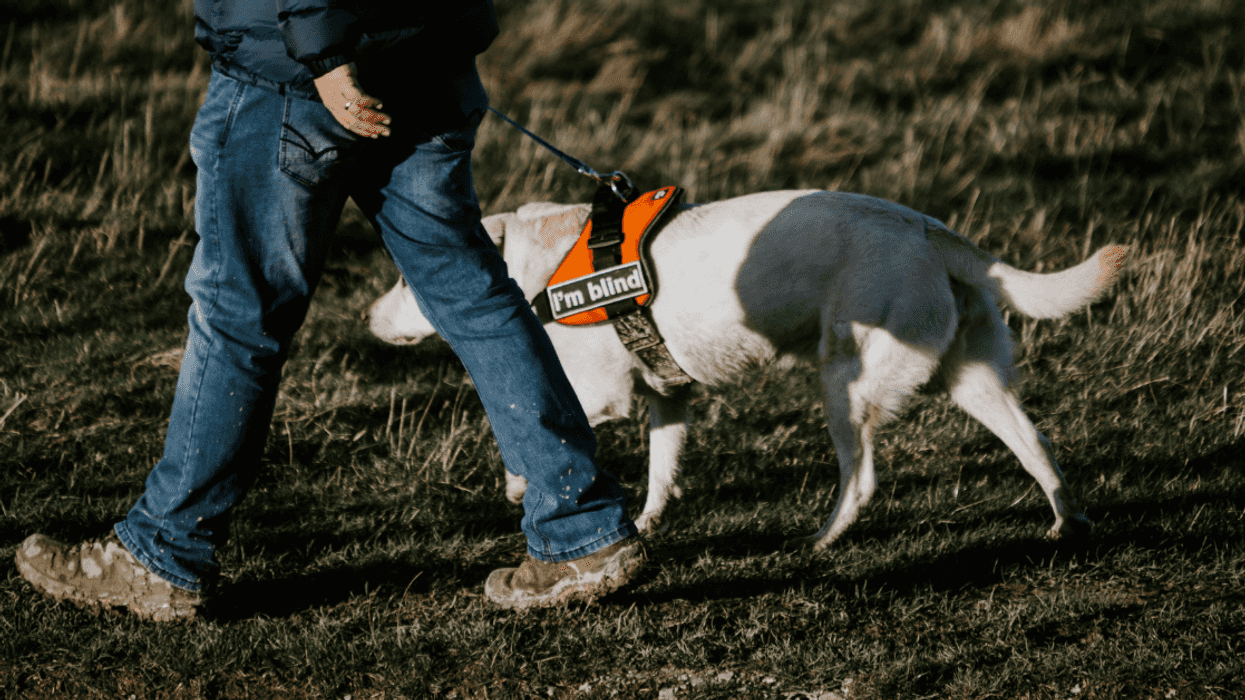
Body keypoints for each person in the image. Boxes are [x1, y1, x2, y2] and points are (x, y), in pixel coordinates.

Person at [14, 0, 643, 621]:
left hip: (298, 75)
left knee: (241, 315)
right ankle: (580, 529)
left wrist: (327, 56)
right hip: (429, 62)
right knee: (475, 296)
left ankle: (164, 552)